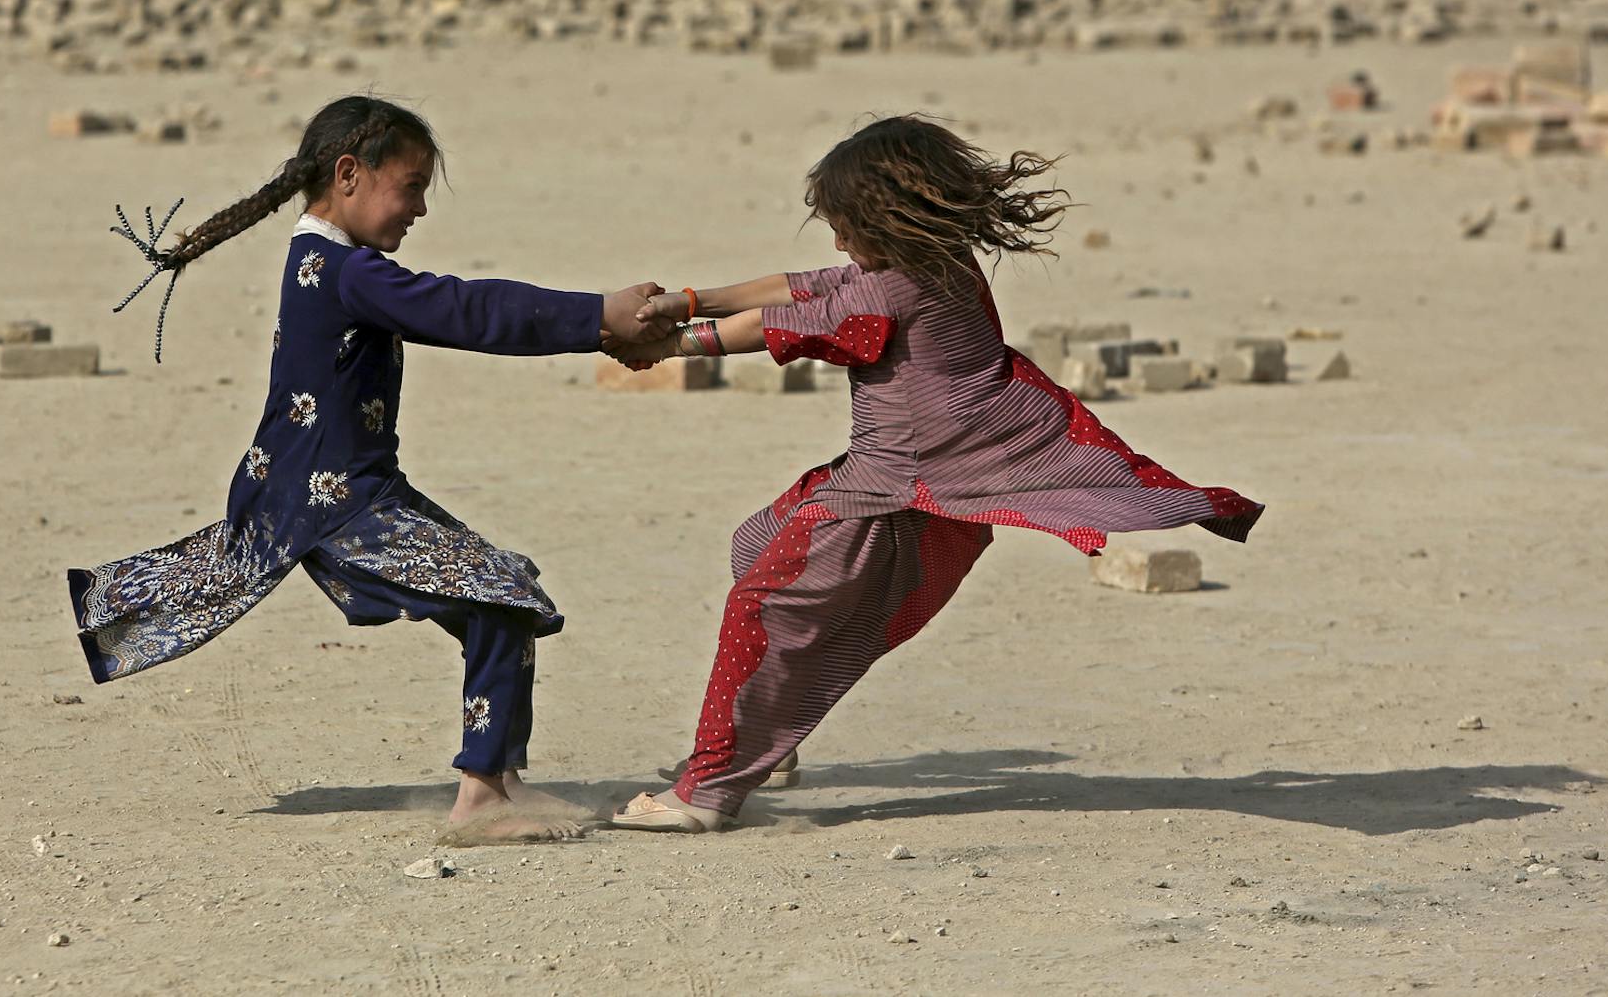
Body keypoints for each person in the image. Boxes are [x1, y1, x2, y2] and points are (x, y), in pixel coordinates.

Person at [602, 115, 1264, 833]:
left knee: (761, 607)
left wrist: (667, 345)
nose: (837, 243)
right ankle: (769, 742)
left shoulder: (888, 293)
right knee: (757, 545)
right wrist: (690, 300)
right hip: (904, 472)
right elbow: (800, 286)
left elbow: (771, 326)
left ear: (884, 220)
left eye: (844, 226)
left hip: (895, 488)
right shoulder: (933, 259)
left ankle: (709, 791)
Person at [69, 95, 669, 842]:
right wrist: (598, 315)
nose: (419, 208)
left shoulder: (327, 263)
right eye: (411, 186)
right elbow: (466, 309)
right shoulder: (345, 271)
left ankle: (502, 779)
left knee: (505, 591)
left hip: (352, 494)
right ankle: (482, 796)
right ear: (349, 174)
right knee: (500, 596)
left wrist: (602, 327)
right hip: (337, 506)